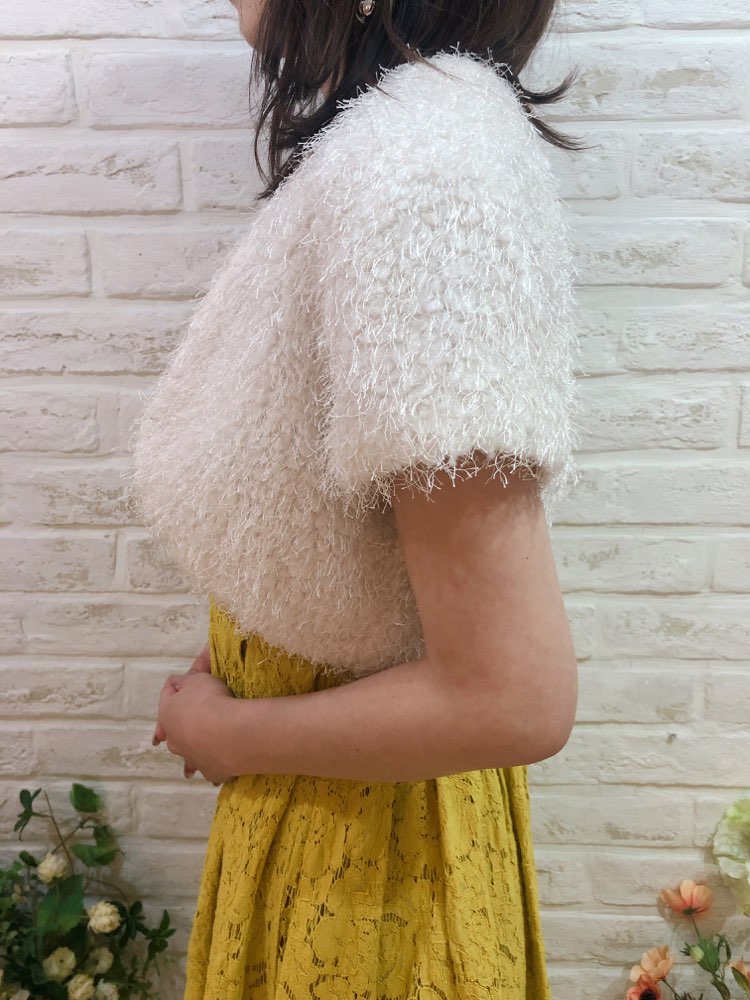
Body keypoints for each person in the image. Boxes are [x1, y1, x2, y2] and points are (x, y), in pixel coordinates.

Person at [130, 0, 585, 996]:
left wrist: (228, 734)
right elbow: (331, 520)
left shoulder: (430, 170)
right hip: (343, 812)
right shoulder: (402, 147)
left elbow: (512, 694)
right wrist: (254, 646)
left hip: (370, 861)